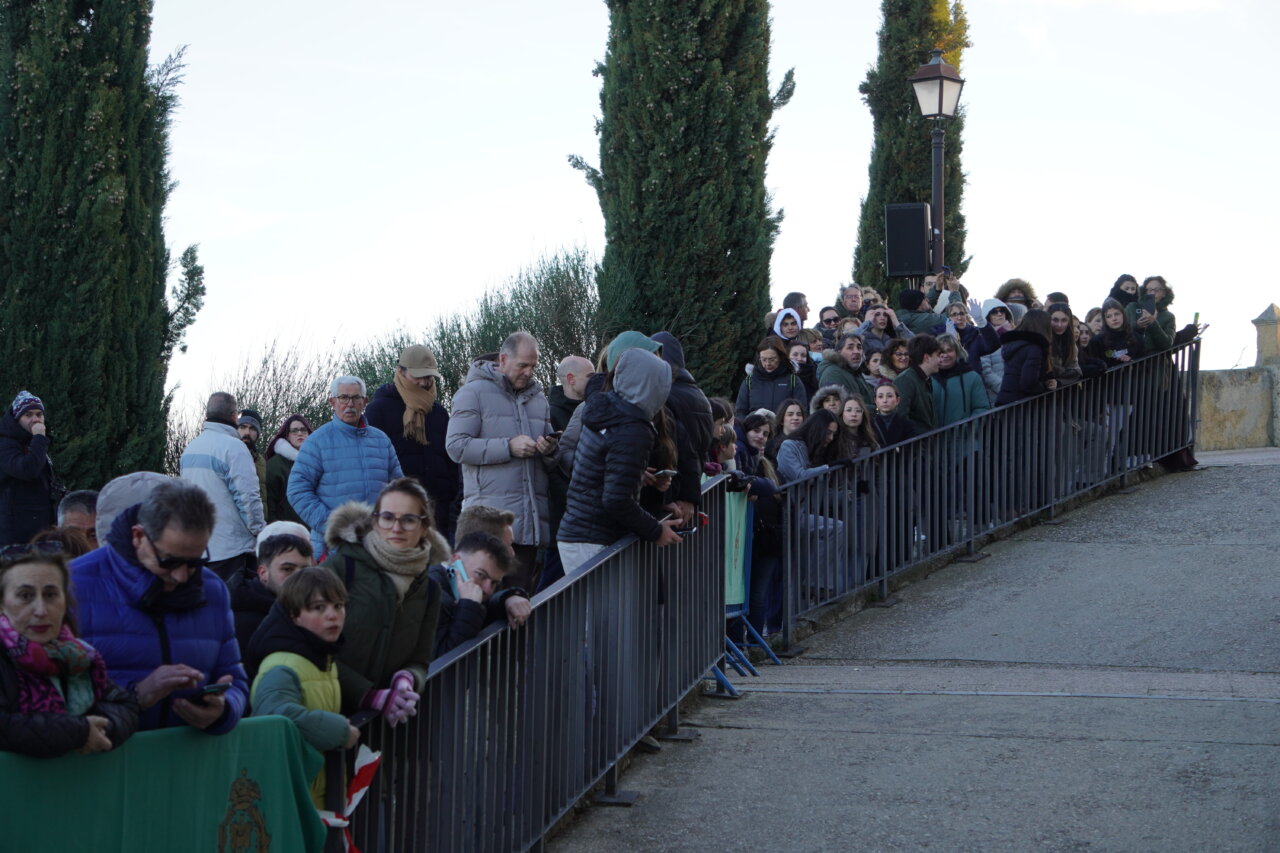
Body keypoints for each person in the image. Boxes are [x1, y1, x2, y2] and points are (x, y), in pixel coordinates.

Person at [70, 479, 249, 734]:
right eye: (169, 561)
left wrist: (224, 711)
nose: (182, 577)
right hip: (100, 765)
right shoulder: (71, 586)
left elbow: (234, 677)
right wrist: (136, 695)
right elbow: (46, 696)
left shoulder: (213, 590)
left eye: (195, 562)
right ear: (138, 536)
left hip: (188, 763)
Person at [320, 477, 446, 721]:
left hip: (388, 724)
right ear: (375, 520)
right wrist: (367, 695)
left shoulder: (430, 589)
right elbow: (307, 643)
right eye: (388, 517)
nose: (396, 528)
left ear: (424, 527)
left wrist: (407, 679)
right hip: (329, 712)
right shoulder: (342, 567)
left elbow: (420, 659)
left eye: (408, 520)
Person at [0, 547, 139, 757]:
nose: (41, 610)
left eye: (50, 595)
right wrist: (78, 731)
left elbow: (124, 705)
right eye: (25, 596)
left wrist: (99, 730)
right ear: (2, 604)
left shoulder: (77, 655)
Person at [446, 332, 558, 590]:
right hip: (487, 527)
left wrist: (549, 448)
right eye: (523, 365)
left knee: (518, 609)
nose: (530, 372)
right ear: (504, 359)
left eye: (533, 366)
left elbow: (549, 451)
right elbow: (455, 446)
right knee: (480, 609)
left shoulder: (538, 399)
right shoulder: (471, 393)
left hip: (528, 528)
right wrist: (507, 447)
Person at [557, 349, 683, 573]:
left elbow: (598, 470)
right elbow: (616, 500)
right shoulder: (633, 429)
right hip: (594, 539)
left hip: (581, 534)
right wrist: (655, 530)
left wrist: (634, 478)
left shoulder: (605, 408)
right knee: (602, 609)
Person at [248, 567, 359, 807]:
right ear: (294, 615)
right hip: (290, 800)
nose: (333, 615)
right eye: (319, 608)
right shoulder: (282, 665)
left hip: (315, 795)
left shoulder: (322, 658)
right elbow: (273, 717)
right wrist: (338, 731)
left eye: (338, 606)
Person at [289, 376, 404, 558]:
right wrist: (334, 526)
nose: (349, 403)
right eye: (343, 397)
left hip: (378, 546)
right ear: (332, 402)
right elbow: (297, 491)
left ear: (364, 402)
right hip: (333, 550)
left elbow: (399, 488)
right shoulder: (317, 442)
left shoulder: (381, 440)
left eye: (356, 398)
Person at [365, 345, 461, 540]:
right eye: (418, 376)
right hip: (398, 512)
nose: (424, 382)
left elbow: (450, 460)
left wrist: (451, 498)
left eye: (429, 377)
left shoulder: (440, 413)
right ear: (400, 371)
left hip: (438, 512)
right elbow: (372, 462)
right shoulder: (378, 410)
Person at [181, 392, 266, 581]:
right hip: (231, 550)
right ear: (234, 415)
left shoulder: (190, 449)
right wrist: (260, 531)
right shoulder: (234, 448)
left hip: (199, 548)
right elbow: (248, 498)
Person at [229, 522, 315, 675]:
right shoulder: (241, 620)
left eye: (306, 570)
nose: (298, 577)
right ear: (263, 572)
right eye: (288, 569)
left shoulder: (317, 608)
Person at [428, 531, 525, 657]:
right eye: (480, 574)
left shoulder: (468, 588)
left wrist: (508, 598)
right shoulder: (431, 594)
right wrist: (469, 606)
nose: (487, 589)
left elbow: (487, 609)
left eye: (494, 582)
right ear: (456, 560)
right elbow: (444, 660)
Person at [0, 391, 57, 546]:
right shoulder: (5, 444)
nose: (35, 419)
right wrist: (39, 438)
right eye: (28, 414)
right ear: (17, 419)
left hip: (37, 528)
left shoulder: (31, 442)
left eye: (39, 414)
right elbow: (27, 470)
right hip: (15, 533)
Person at [735, 335, 808, 417]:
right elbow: (740, 412)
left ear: (780, 357)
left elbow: (802, 411)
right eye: (764, 359)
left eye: (772, 359)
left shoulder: (793, 380)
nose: (767, 363)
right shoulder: (749, 381)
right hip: (756, 428)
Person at [263, 414, 313, 525]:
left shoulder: (318, 463)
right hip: (287, 533)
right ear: (287, 436)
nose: (299, 433)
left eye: (303, 430)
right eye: (294, 431)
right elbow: (269, 505)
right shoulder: (275, 465)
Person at [932, 334, 992, 426]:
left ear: (957, 352)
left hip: (964, 438)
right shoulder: (927, 378)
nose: (944, 355)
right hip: (931, 439)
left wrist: (968, 429)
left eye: (949, 350)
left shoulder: (972, 377)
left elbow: (982, 408)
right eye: (940, 352)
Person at [996, 309, 1052, 405]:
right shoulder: (1034, 348)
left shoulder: (1014, 344)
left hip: (1007, 401)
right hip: (1021, 404)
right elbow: (1028, 383)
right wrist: (1044, 387)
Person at [893, 335, 942, 433]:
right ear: (927, 357)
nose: (940, 360)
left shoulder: (926, 379)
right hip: (915, 446)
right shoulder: (905, 380)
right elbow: (900, 416)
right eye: (937, 355)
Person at [776, 409, 841, 482]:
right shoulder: (788, 446)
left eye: (834, 434)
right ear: (817, 429)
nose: (831, 438)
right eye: (828, 432)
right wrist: (828, 468)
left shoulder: (823, 450)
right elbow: (800, 477)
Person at [817, 332, 876, 407]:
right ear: (839, 352)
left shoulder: (855, 372)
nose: (856, 351)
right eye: (850, 348)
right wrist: (876, 410)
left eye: (859, 347)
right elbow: (842, 409)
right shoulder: (833, 373)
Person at [976, 298, 1017, 403]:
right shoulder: (983, 338)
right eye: (994, 311)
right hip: (997, 396)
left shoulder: (1016, 334)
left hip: (1018, 394)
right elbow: (986, 371)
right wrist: (1005, 388)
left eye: (1002, 310)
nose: (999, 314)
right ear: (988, 316)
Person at [1122, 276, 1175, 354]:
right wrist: (1137, 325)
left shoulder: (1168, 316)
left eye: (1157, 290)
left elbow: (1167, 344)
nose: (1153, 293)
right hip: (1132, 360)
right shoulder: (1132, 307)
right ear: (1144, 292)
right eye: (1149, 290)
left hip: (1155, 362)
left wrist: (1153, 323)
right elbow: (1119, 330)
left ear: (1164, 293)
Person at [1089, 298, 1146, 368]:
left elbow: (1144, 366)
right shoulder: (1096, 342)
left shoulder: (1137, 338)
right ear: (1105, 320)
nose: (1114, 318)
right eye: (1109, 316)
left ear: (1123, 315)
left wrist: (1131, 362)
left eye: (1117, 314)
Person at [1047, 303, 1084, 389]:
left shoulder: (1071, 344)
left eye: (1064, 320)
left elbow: (1076, 371)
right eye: (1055, 320)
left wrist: (1059, 381)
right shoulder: (1043, 339)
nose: (1059, 325)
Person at [238, 409, 269, 504]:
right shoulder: (225, 456)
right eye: (243, 427)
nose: (247, 432)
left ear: (258, 434)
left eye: (252, 428)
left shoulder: (261, 462)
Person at [766, 398, 807, 463]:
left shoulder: (808, 443)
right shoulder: (770, 444)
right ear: (782, 420)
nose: (795, 418)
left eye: (799, 414)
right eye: (790, 414)